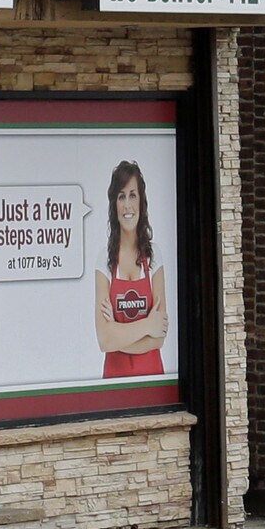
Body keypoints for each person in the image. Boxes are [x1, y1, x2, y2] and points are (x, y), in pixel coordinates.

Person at [94, 160, 167, 376]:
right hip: (114, 383)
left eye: (133, 195)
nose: (127, 205)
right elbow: (104, 340)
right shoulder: (104, 259)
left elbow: (159, 336)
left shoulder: (154, 256)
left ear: (142, 202)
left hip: (152, 381)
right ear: (113, 205)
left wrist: (118, 332)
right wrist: (147, 325)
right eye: (121, 196)